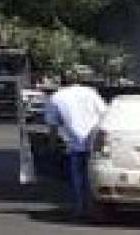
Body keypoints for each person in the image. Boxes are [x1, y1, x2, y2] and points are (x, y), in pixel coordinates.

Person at [44, 71, 107, 218]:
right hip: (95, 141)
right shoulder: (90, 92)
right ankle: (94, 208)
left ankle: (80, 208)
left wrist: (51, 144)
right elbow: (105, 113)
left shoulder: (56, 97)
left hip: (75, 143)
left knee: (78, 177)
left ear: (62, 81)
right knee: (93, 176)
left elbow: (53, 125)